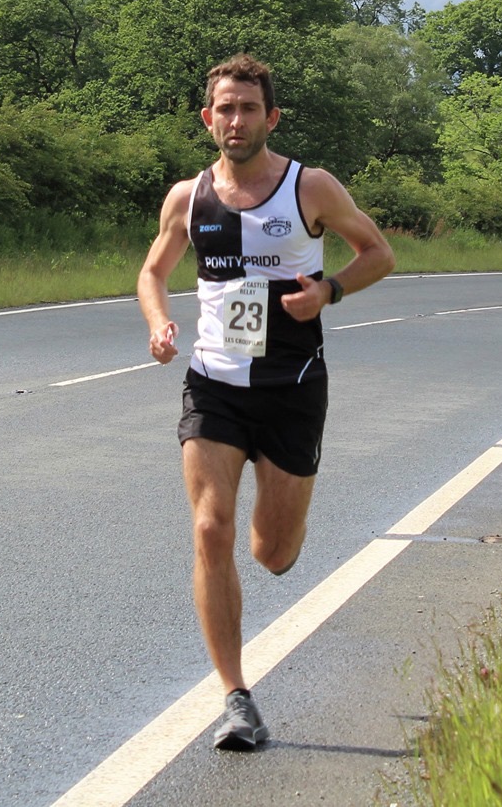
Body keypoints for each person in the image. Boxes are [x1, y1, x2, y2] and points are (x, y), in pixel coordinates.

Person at [137, 53, 395, 751]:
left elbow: (378, 252)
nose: (236, 120)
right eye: (225, 108)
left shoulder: (309, 187)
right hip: (213, 383)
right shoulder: (187, 198)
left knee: (273, 553)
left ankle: (280, 531)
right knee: (209, 529)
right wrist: (159, 321)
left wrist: (329, 291)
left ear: (271, 118)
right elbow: (153, 272)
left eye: (249, 108)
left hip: (291, 388)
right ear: (207, 118)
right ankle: (236, 698)